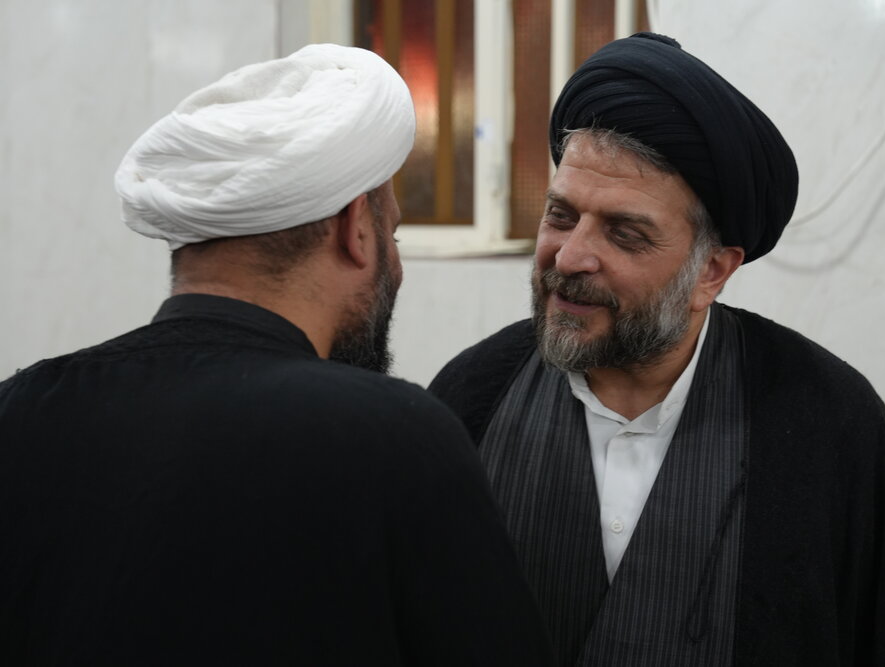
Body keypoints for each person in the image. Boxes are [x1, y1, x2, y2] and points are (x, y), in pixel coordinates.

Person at [0, 44, 554, 666]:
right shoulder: (391, 436)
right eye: (392, 233)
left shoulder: (21, 411)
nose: (396, 264)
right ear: (356, 228)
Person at [429, 33, 885, 666]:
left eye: (624, 234)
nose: (569, 257)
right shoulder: (472, 397)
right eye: (561, 216)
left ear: (711, 271)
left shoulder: (826, 419)